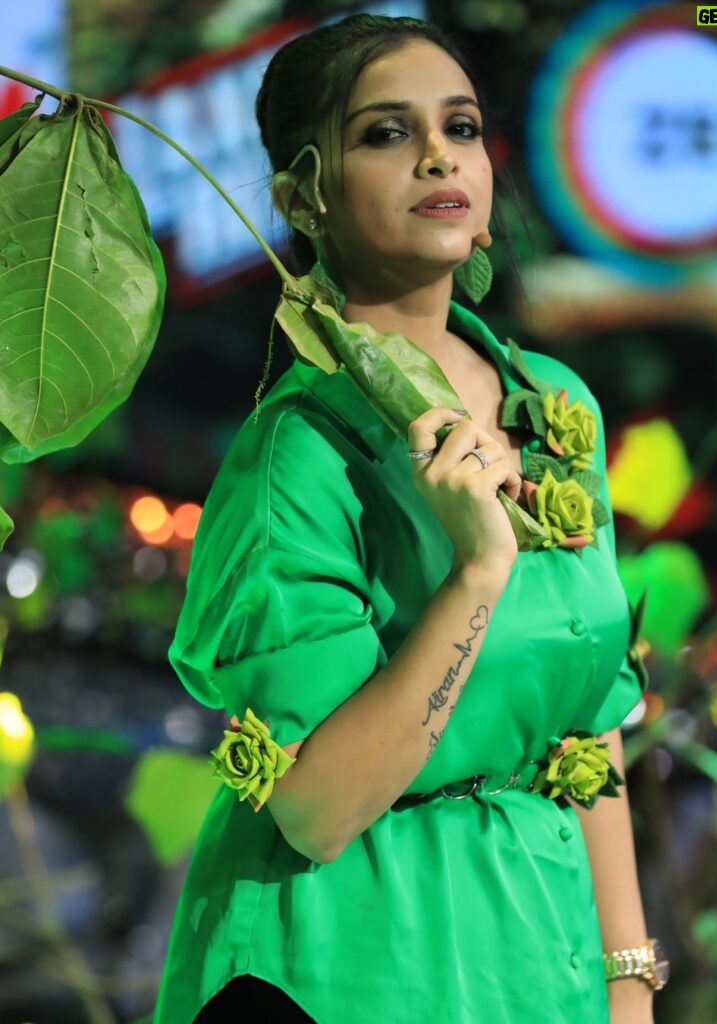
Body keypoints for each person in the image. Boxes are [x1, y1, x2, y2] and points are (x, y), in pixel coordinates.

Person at [153, 14, 665, 1024]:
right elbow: (317, 809)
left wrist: (629, 980)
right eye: (385, 133)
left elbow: (591, 727)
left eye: (461, 126)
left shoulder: (556, 410)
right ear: (304, 197)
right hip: (342, 952)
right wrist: (479, 572)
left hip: (533, 942)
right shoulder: (298, 451)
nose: (439, 155)